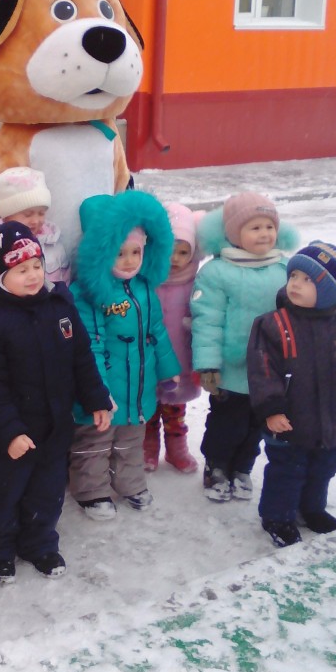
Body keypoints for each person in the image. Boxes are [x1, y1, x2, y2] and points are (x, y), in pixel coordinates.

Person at [0, 221, 113, 583]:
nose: (33, 275)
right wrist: (9, 433)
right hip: (9, 433)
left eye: (37, 265)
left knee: (47, 491)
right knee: (2, 493)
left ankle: (39, 543)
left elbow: (81, 357)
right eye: (21, 269)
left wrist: (96, 398)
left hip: (55, 424)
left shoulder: (59, 306)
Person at [69, 190, 181, 520]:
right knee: (95, 442)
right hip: (104, 387)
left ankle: (130, 483)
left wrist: (168, 369)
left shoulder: (143, 288)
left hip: (138, 386)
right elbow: (90, 345)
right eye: (119, 253)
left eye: (136, 252)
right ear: (101, 253)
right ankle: (92, 491)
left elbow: (157, 331)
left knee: (131, 438)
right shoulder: (88, 294)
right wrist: (98, 391)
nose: (130, 260)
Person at [191, 192, 298, 503]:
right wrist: (208, 364)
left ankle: (242, 468)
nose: (264, 233)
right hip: (231, 368)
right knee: (227, 424)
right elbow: (207, 321)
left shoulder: (285, 269)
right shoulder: (217, 272)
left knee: (257, 424)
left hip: (270, 370)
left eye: (269, 226)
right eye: (255, 227)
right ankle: (217, 466)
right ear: (234, 233)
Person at [247, 241, 336, 547]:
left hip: (333, 420)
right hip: (289, 419)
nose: (295, 284)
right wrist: (272, 409)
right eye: (293, 276)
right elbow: (262, 369)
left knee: (324, 467)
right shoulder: (273, 324)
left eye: (307, 279)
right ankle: (277, 516)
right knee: (288, 470)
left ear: (329, 290)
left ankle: (311, 509)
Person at [145, 202, 203, 475]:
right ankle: (148, 445)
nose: (175, 258)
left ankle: (176, 448)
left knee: (175, 409)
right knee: (148, 407)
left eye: (183, 252)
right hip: (149, 355)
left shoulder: (196, 281)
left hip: (180, 357)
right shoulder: (146, 277)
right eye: (170, 250)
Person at [0, 166, 69, 304]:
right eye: (27, 214)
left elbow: (65, 290)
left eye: (41, 213)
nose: (36, 221)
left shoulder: (54, 246)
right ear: (7, 215)